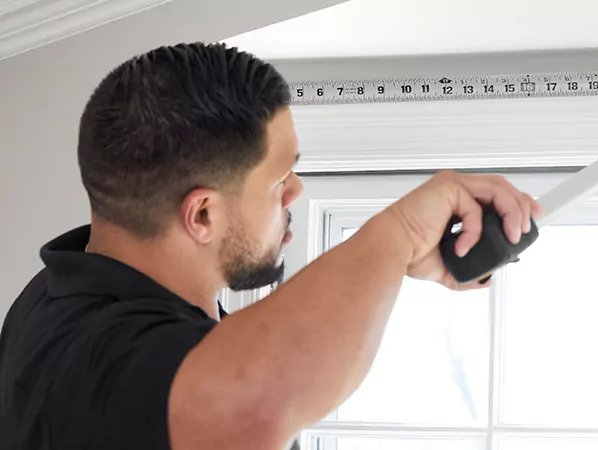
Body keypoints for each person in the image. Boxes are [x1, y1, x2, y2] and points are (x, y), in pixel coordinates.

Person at [0, 42, 542, 450]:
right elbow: (257, 402)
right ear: (203, 214)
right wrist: (397, 234)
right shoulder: (95, 355)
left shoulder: (64, 285)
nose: (296, 191)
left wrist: (391, 262)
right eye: (281, 178)